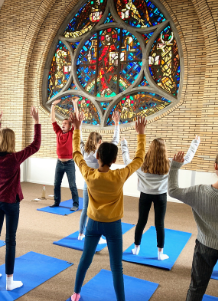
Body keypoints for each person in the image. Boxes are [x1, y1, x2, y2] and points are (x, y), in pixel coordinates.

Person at [70, 112, 147, 301]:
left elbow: (76, 153)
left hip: (93, 223)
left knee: (85, 260)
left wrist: (77, 129)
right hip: (113, 225)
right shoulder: (119, 175)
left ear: (97, 156)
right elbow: (139, 158)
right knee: (116, 267)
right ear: (114, 160)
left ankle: (76, 293)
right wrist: (141, 134)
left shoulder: (89, 174)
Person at [0, 106, 41, 291]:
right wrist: (36, 121)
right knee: (10, 240)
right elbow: (36, 145)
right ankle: (9, 282)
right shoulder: (14, 158)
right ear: (11, 142)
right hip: (11, 203)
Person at [122, 135, 200, 260]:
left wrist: (124, 144)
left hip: (145, 195)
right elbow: (188, 159)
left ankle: (136, 249)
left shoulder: (141, 163)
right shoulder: (170, 163)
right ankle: (160, 254)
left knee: (141, 221)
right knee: (159, 224)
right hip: (161, 196)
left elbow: (126, 160)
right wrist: (195, 142)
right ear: (164, 150)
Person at [169, 150, 218, 301]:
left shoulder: (199, 192)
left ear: (216, 166)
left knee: (196, 288)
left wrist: (175, 167)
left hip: (204, 247)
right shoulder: (200, 191)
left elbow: (173, 191)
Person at [77, 103, 120, 243]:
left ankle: (81, 234)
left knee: (85, 209)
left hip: (87, 182)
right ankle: (97, 235)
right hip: (99, 184)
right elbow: (115, 141)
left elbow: (79, 139)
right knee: (97, 211)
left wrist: (79, 125)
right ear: (99, 141)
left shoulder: (84, 150)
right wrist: (116, 124)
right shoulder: (99, 153)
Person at [49, 98, 79, 211]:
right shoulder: (58, 132)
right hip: (59, 163)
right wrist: (53, 105)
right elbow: (52, 119)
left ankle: (75, 204)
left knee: (72, 185)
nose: (62, 125)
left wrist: (75, 103)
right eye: (62, 123)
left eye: (65, 123)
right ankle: (56, 202)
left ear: (70, 126)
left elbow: (76, 119)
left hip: (69, 163)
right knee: (56, 184)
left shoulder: (71, 133)